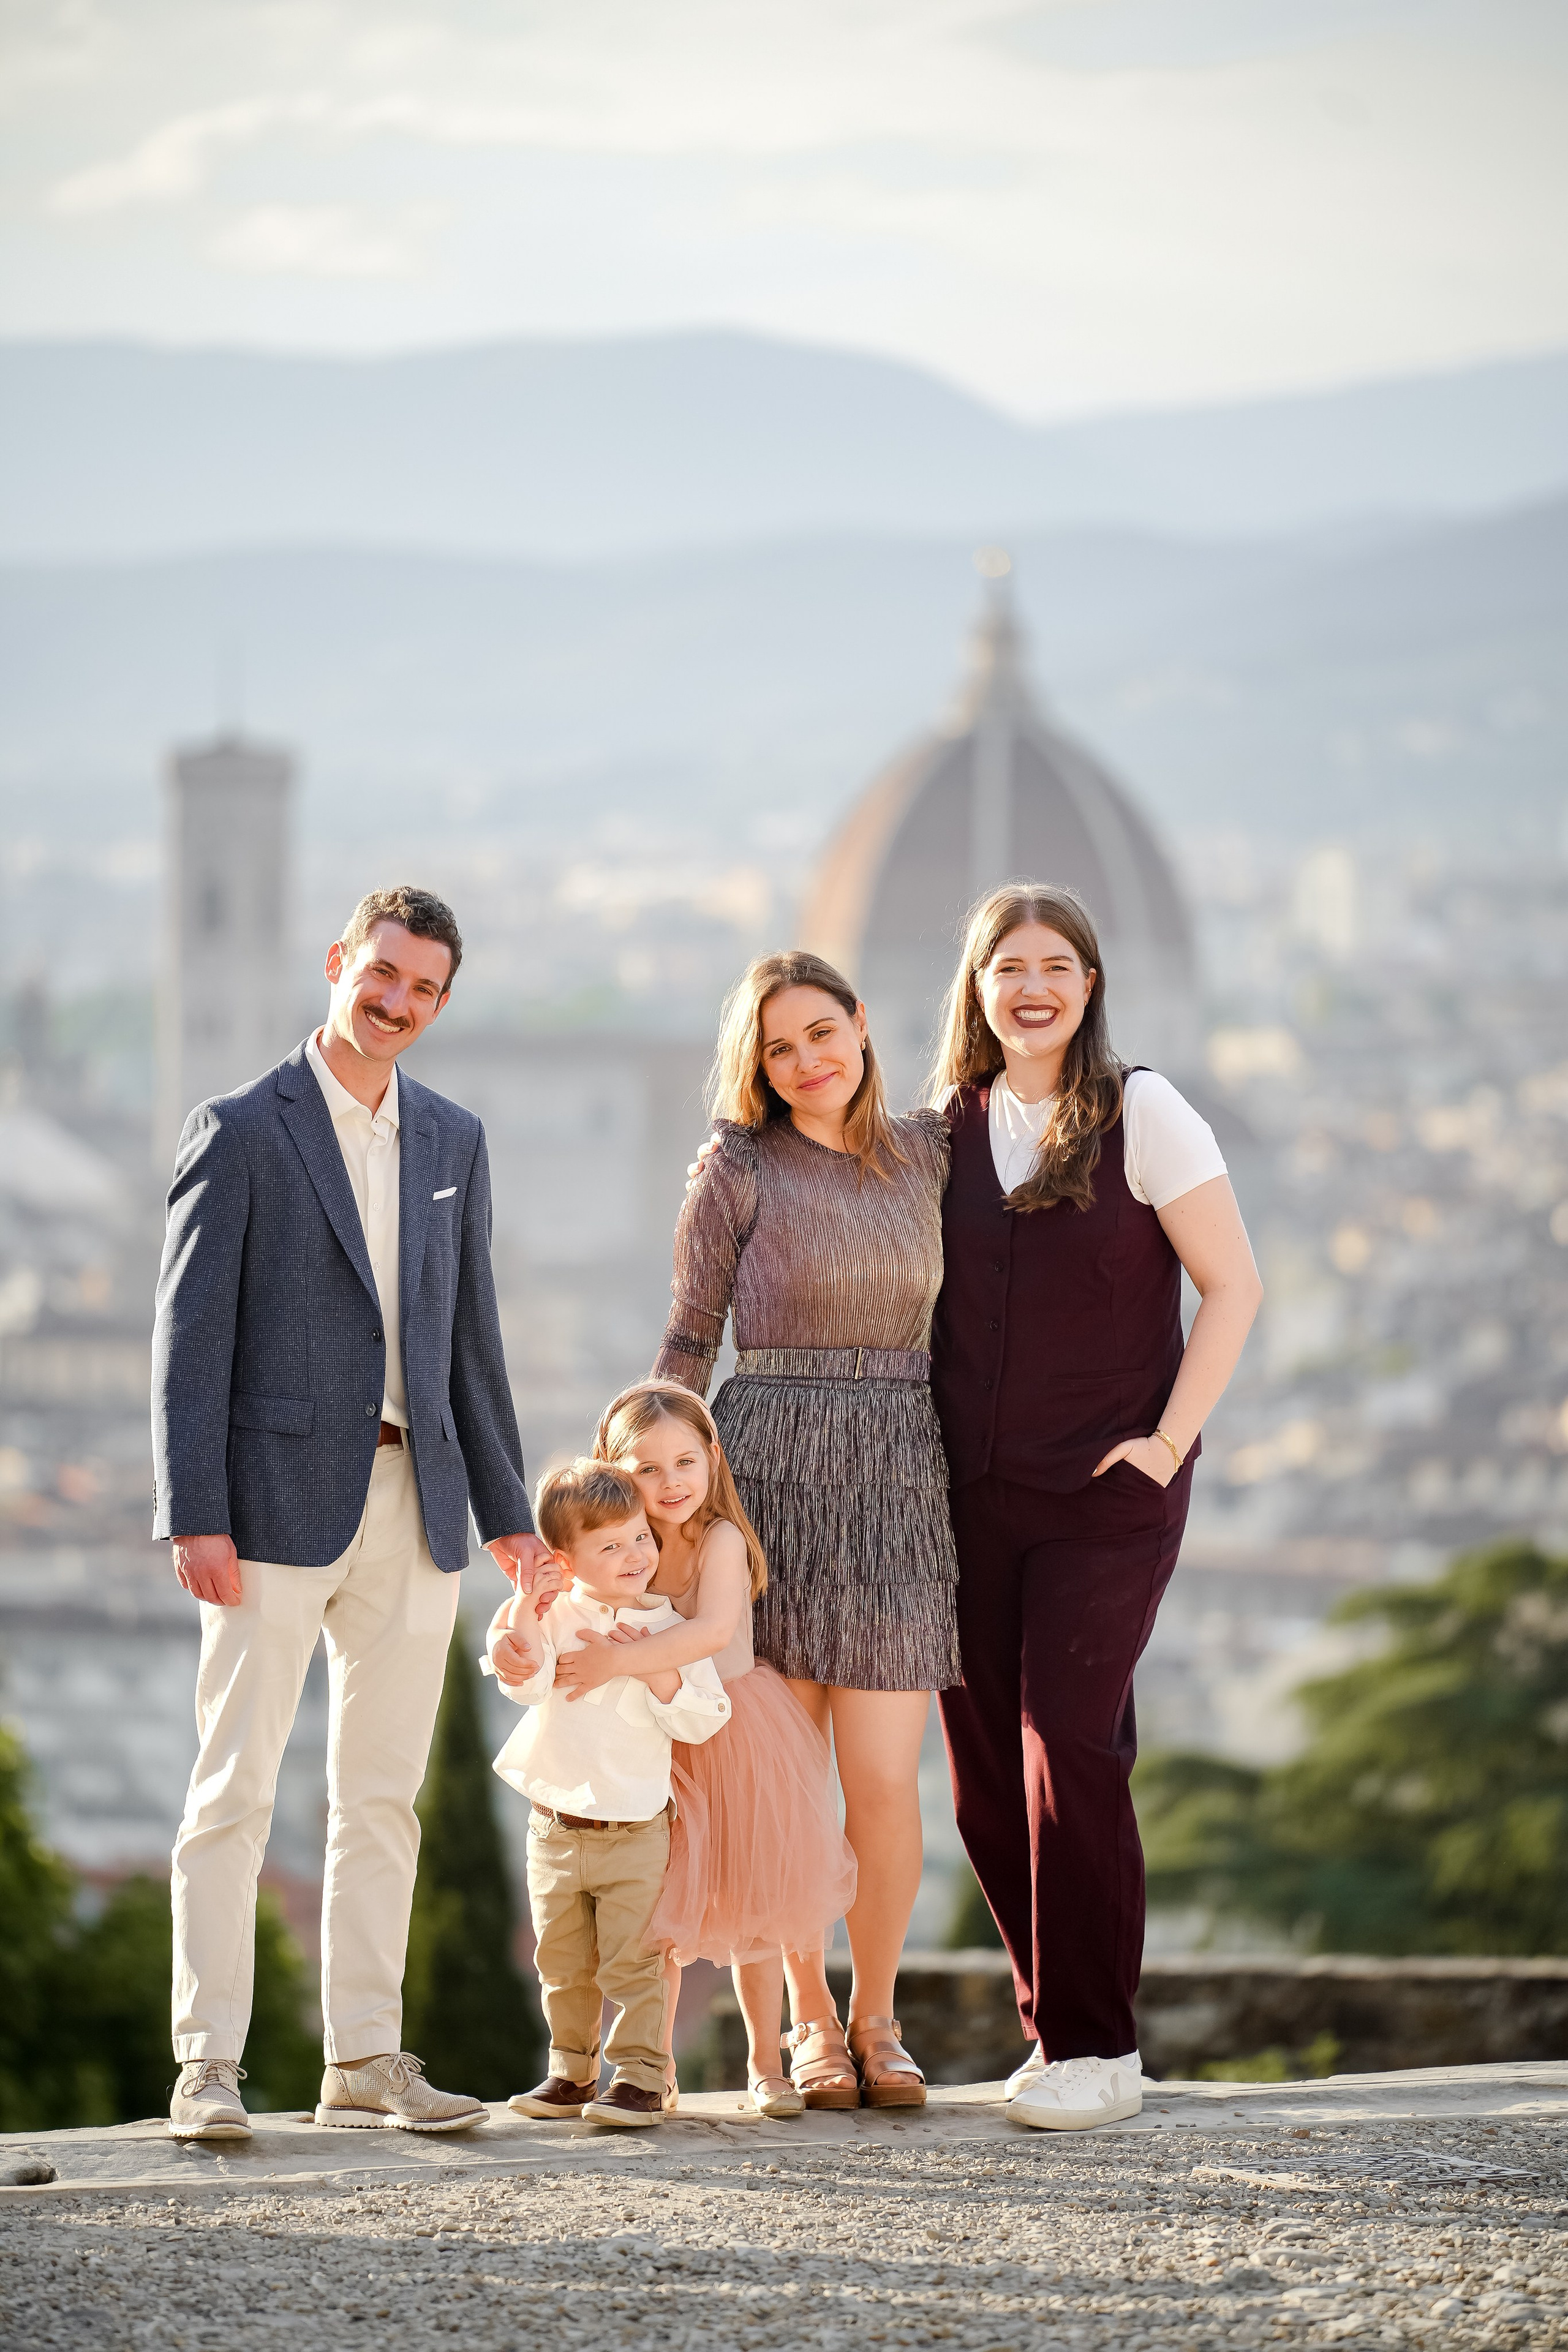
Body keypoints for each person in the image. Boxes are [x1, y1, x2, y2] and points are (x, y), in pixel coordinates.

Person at [153, 884, 551, 2143]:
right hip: (266, 1505)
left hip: (417, 1502)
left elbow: (469, 1345)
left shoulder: (452, 1141)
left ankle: (363, 2060)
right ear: (339, 963)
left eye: (423, 989)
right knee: (234, 1792)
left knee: (381, 1797)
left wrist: (507, 1511)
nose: (396, 1002)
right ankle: (208, 2066)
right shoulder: (239, 1128)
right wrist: (191, 1510)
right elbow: (189, 1335)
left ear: (440, 1002)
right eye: (381, 973)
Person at [929, 882, 1264, 2132]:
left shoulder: (1143, 1112)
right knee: (976, 1778)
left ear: (1087, 985)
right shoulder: (941, 1133)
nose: (1032, 983)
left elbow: (1231, 1286)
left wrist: (1168, 1444)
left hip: (1105, 1497)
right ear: (975, 989)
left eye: (1055, 964)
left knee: (1067, 1742)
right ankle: (1050, 2032)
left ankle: (1096, 2044)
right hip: (965, 1500)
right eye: (1007, 963)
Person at [654, 949, 956, 2109]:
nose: (806, 1061)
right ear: (758, 1066)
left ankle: (880, 2019)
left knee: (884, 1782)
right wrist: (651, 1498)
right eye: (779, 1048)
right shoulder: (735, 1165)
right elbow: (688, 1335)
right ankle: (813, 2025)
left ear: (863, 1026)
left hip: (898, 1484)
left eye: (821, 1032)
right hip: (765, 1477)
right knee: (784, 1781)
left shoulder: (930, 1154)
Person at [556, 1379, 858, 2118]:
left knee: (754, 1904)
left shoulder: (720, 1537)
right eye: (646, 1470)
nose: (669, 1484)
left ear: (712, 1459)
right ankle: (647, 2067)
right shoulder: (628, 1545)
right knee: (654, 1909)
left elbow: (713, 1632)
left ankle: (765, 2060)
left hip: (735, 1739)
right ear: (612, 1468)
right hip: (657, 1743)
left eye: (684, 1463)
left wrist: (617, 1661)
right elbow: (577, 1597)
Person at [486, 1459, 730, 2127]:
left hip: (637, 1831)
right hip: (556, 1828)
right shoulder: (554, 1617)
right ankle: (570, 2071)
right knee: (560, 1962)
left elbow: (707, 1717)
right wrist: (527, 1614)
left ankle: (643, 2077)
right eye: (610, 1546)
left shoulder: (668, 1630)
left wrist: (657, 1677)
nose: (635, 1555)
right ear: (566, 1559)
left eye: (640, 1537)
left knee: (636, 1963)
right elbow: (523, 1683)